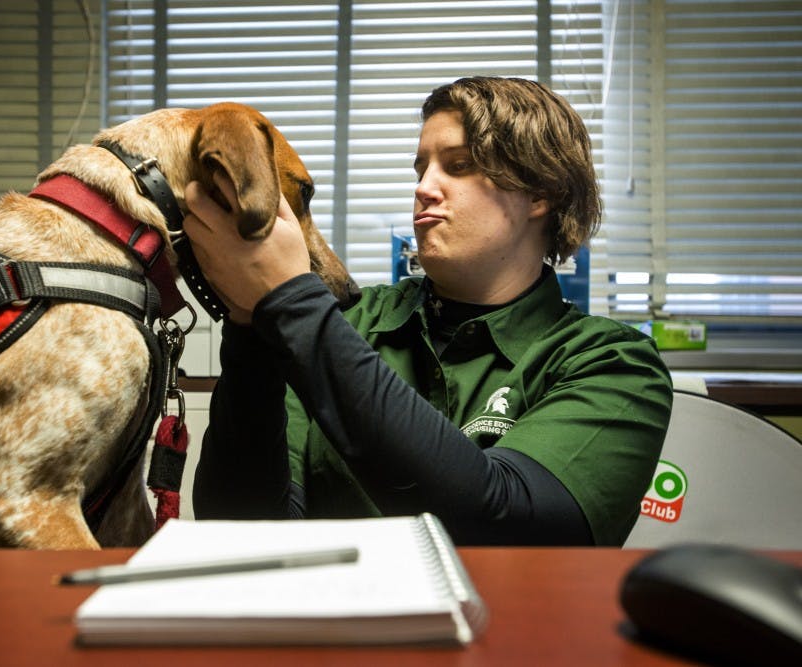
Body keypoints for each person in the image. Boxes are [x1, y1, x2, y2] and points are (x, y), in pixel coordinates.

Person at [182, 76, 673, 546]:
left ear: (541, 192)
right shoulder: (348, 321)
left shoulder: (613, 363)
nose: (424, 188)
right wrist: (251, 325)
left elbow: (506, 524)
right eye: (422, 169)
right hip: (333, 626)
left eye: (458, 166)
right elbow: (241, 527)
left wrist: (292, 302)